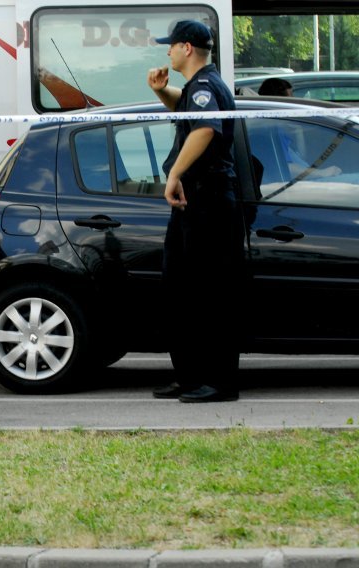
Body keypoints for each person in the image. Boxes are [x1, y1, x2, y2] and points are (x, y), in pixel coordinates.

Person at [147, 21, 245, 403]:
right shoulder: (197, 87)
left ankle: (219, 383)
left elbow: (204, 129)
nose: (166, 53)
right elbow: (191, 113)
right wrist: (161, 92)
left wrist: (175, 173)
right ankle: (190, 377)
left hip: (210, 203)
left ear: (186, 48)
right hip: (195, 205)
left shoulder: (205, 86)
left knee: (212, 295)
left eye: (169, 46)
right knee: (182, 291)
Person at [256, 77, 342, 178]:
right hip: (303, 183)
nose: (294, 100)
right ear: (280, 101)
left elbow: (300, 158)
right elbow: (287, 168)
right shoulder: (272, 129)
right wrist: (322, 173)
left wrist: (298, 131)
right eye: (291, 96)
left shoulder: (280, 126)